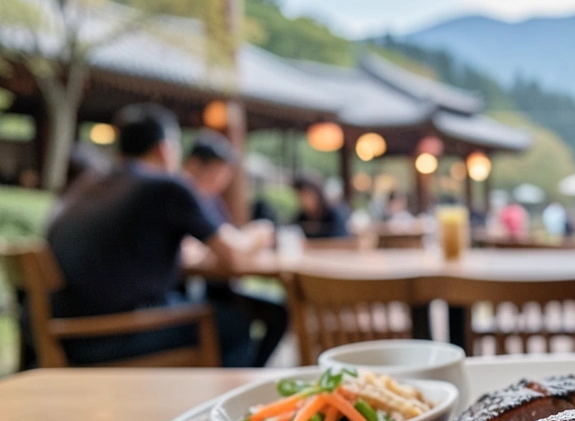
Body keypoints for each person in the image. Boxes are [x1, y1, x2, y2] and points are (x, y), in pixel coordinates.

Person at [45, 104, 248, 366]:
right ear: (164, 150)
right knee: (234, 325)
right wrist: (261, 235)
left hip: (63, 331)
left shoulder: (86, 187)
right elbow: (233, 255)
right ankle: (226, 406)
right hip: (107, 335)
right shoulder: (165, 185)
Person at [180, 130, 288, 367]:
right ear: (194, 165)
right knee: (236, 324)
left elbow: (223, 242)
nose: (221, 180)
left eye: (225, 174)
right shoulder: (180, 192)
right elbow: (219, 250)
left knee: (279, 312)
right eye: (217, 172)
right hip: (185, 294)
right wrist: (251, 237)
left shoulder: (211, 200)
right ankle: (235, 383)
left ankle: (252, 372)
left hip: (217, 287)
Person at [293, 173, 349, 238]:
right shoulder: (301, 217)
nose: (303, 200)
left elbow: (341, 239)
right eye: (300, 196)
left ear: (317, 194)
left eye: (306, 195)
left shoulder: (333, 215)